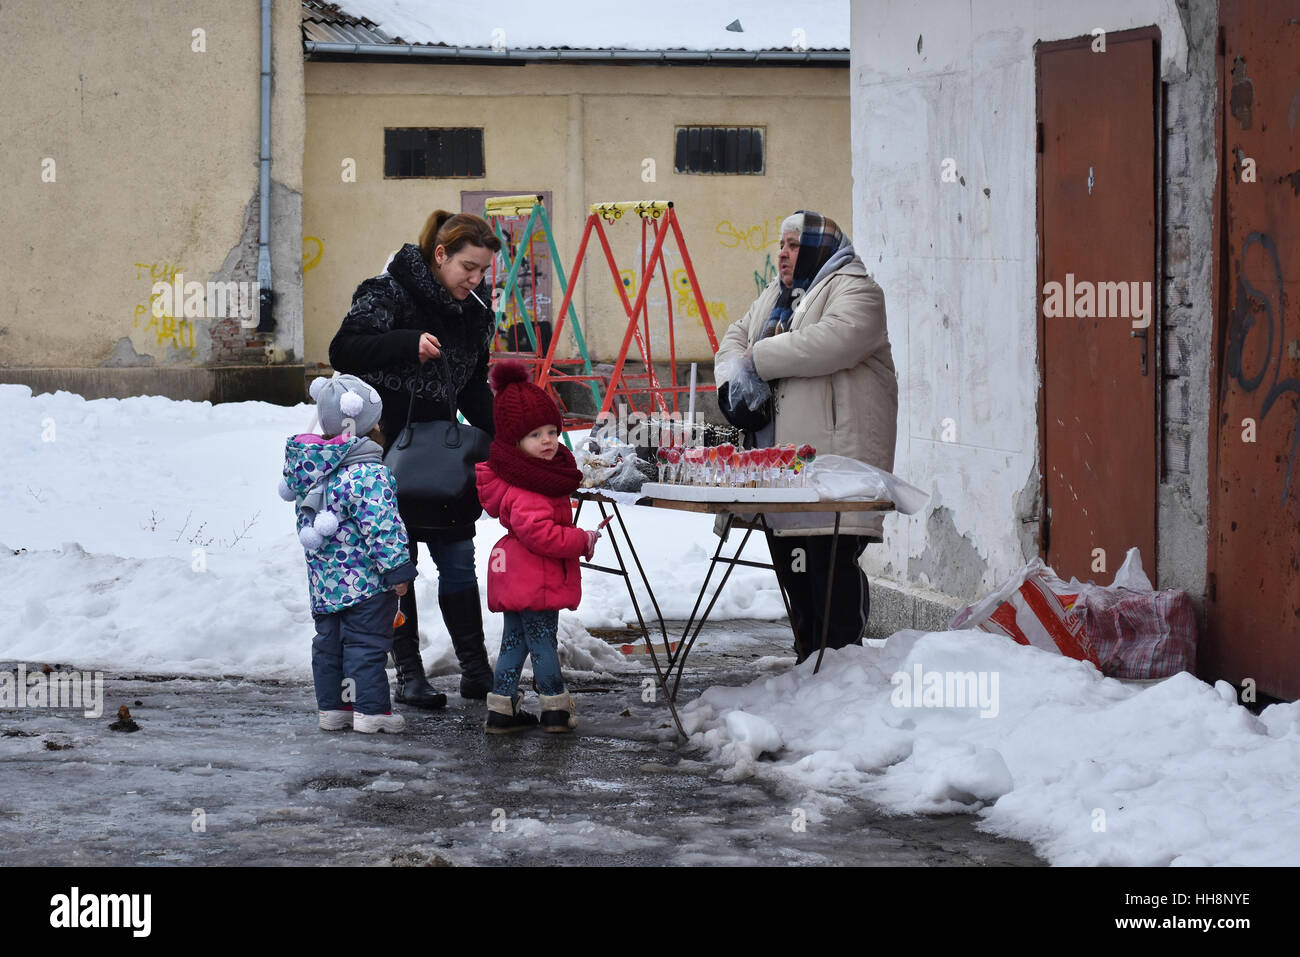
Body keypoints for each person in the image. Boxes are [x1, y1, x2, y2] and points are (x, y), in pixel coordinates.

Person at [329, 211, 502, 707]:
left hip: (446, 459)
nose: (475, 279)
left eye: (482, 271)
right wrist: (406, 343)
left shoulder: (474, 309)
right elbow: (344, 349)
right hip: (387, 453)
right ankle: (409, 674)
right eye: (468, 267)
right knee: (397, 567)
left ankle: (475, 670)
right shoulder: (388, 291)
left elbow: (471, 383)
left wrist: (506, 433)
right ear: (441, 254)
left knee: (457, 563)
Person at [715, 210, 898, 663]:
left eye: (794, 245)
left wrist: (755, 359)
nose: (782, 253)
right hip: (784, 469)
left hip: (835, 464)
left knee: (830, 565)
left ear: (818, 249)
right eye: (781, 244)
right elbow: (734, 336)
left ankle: (840, 667)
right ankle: (807, 665)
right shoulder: (777, 297)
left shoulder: (857, 290)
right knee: (793, 565)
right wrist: (735, 377)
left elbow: (832, 341)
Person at [280, 373, 417, 733]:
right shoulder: (369, 474)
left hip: (325, 584)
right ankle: (370, 712)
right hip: (367, 585)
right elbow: (382, 526)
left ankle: (335, 708)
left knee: (330, 646)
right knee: (366, 646)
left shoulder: (312, 471)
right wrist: (398, 570)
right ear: (370, 424)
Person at [474, 360, 600, 734]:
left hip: (521, 578)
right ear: (514, 443)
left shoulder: (534, 475)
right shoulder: (529, 486)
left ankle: (502, 708)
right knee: (543, 642)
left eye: (552, 432)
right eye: (535, 435)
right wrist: (582, 540)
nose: (547, 441)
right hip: (535, 577)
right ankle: (555, 708)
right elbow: (541, 535)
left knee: (515, 642)